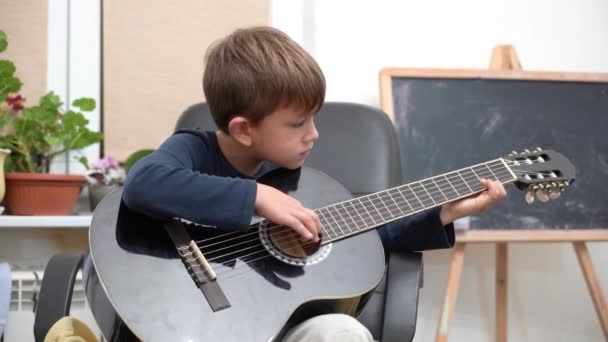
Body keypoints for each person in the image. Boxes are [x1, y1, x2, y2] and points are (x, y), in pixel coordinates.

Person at [122, 26, 507, 342]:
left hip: (282, 328)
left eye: (313, 119)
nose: (314, 135)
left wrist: (443, 213)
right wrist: (256, 195)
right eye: (297, 123)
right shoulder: (193, 149)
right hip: (195, 324)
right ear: (243, 129)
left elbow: (366, 236)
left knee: (342, 332)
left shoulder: (297, 180)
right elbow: (143, 183)